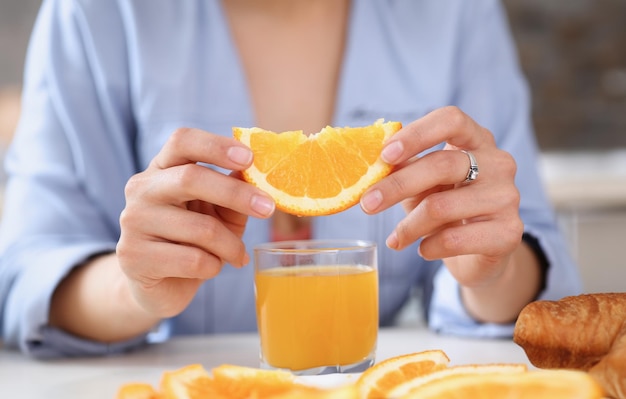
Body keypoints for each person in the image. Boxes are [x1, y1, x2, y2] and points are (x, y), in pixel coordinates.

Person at [0, 0, 582, 358]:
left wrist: (490, 267)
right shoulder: (95, 12)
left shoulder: (455, 12)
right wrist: (136, 289)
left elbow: (534, 269)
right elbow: (29, 272)